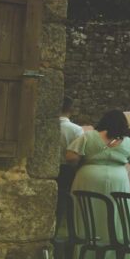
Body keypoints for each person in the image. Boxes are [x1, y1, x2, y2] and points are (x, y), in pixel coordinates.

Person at [66, 109, 130, 259]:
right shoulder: (127, 141)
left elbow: (71, 156)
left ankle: (86, 254)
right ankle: (116, 255)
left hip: (89, 178)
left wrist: (80, 163)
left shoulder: (88, 136)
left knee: (87, 213)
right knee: (116, 214)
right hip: (118, 181)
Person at [56, 97, 83, 235]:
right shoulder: (76, 130)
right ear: (71, 110)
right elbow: (81, 154)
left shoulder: (49, 127)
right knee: (68, 202)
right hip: (69, 169)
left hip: (51, 167)